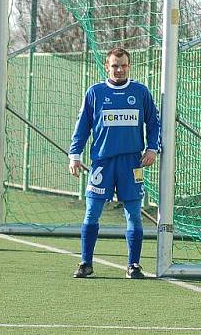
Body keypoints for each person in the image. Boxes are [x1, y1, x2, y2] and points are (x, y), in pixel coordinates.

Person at [68, 47, 161, 279]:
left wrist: (152, 148)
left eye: (123, 65)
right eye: (114, 66)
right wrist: (75, 155)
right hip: (102, 162)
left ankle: (133, 265)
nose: (119, 70)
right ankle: (86, 263)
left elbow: (154, 122)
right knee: (92, 213)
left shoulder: (140, 92)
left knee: (134, 214)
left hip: (132, 162)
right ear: (107, 67)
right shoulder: (95, 92)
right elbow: (82, 126)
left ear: (129, 66)